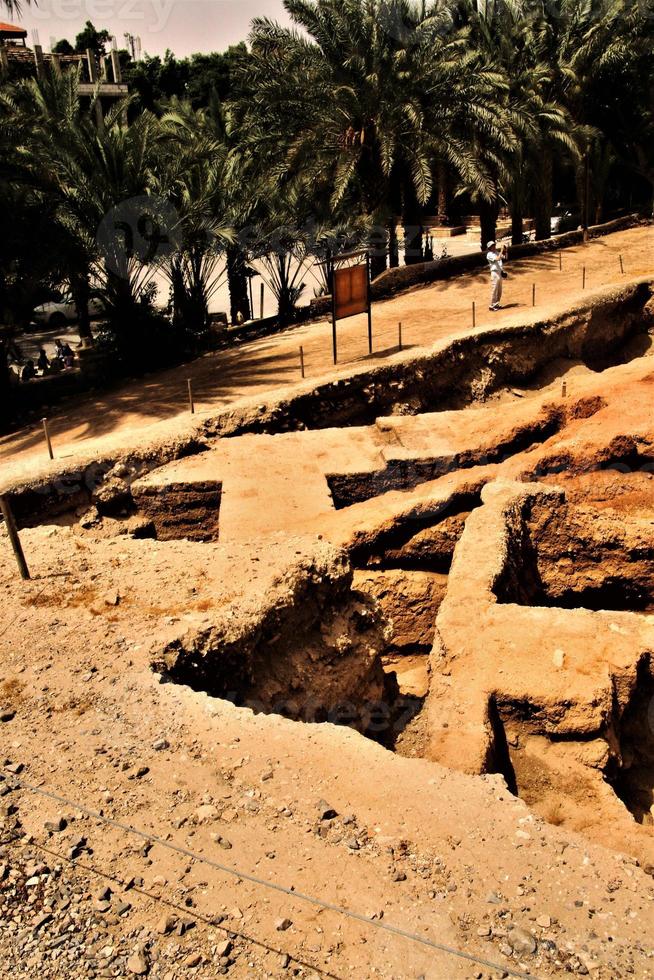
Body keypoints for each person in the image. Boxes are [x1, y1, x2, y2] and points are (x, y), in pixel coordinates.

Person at [486, 240, 507, 311]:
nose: (494, 246)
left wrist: (505, 250)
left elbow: (505, 257)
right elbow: (497, 259)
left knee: (499, 290)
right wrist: (501, 250)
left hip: (500, 272)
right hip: (494, 273)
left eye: (494, 245)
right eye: (492, 246)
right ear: (489, 247)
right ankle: (491, 305)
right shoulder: (489, 254)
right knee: (494, 289)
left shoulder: (497, 252)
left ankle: (496, 304)